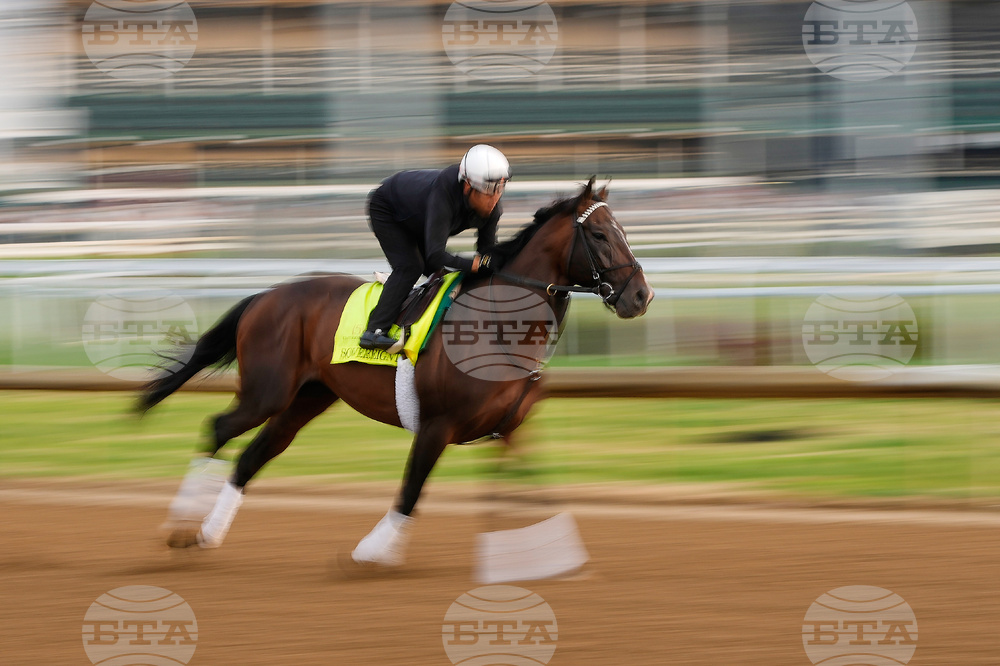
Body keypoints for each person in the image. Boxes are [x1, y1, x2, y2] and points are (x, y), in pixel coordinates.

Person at [359, 144, 510, 351]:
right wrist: (472, 265)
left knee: (439, 274)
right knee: (411, 267)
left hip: (418, 215)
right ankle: (374, 331)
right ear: (467, 186)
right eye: (489, 191)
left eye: (500, 189)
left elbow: (485, 254)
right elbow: (436, 254)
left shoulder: (493, 209)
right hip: (388, 209)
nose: (494, 199)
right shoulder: (444, 194)